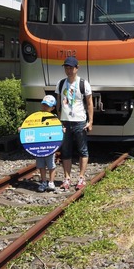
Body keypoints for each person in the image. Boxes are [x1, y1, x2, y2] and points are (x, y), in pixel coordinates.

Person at [55, 56, 93, 191]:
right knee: (66, 151)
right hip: (65, 122)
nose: (68, 70)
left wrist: (90, 121)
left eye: (71, 67)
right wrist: (58, 121)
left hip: (80, 121)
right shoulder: (60, 84)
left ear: (77, 68)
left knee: (82, 150)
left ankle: (81, 177)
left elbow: (89, 103)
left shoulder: (83, 83)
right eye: (66, 67)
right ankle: (67, 178)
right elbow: (59, 103)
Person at [36, 94, 61, 192]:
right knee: (41, 165)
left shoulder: (54, 118)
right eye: (44, 105)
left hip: (50, 146)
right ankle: (43, 181)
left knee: (51, 164)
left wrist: (62, 130)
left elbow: (58, 128)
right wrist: (22, 129)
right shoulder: (36, 116)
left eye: (48, 106)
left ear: (53, 108)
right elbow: (29, 126)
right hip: (39, 145)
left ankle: (51, 181)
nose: (45, 107)